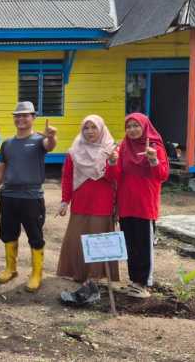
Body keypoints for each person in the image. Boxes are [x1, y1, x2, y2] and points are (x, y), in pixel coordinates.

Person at [0, 101, 57, 293]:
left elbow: (50, 145)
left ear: (33, 118)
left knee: (35, 236)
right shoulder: (7, 144)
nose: (21, 119)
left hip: (31, 196)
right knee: (8, 234)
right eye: (17, 115)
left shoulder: (39, 140)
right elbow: (0, 168)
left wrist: (52, 136)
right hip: (9, 195)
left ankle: (37, 273)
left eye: (25, 115)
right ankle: (11, 268)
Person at [56, 115, 120, 302]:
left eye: (94, 127)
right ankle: (80, 274)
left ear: (101, 129)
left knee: (97, 240)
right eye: (86, 128)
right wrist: (64, 201)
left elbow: (115, 178)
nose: (90, 131)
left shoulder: (111, 149)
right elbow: (67, 177)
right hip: (81, 202)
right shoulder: (75, 151)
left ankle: (94, 279)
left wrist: (113, 162)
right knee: (78, 239)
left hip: (102, 203)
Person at [116, 113, 169, 299]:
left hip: (145, 205)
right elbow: (117, 173)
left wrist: (153, 159)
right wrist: (112, 162)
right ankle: (134, 281)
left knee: (144, 245)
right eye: (128, 126)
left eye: (136, 126)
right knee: (130, 244)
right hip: (126, 204)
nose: (132, 130)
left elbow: (163, 175)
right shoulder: (123, 146)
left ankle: (144, 283)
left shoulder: (155, 147)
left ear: (145, 126)